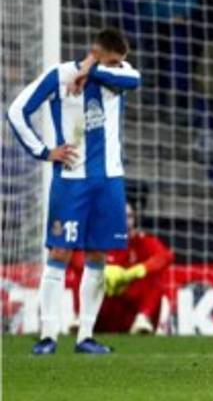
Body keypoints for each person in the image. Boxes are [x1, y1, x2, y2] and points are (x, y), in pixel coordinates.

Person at [7, 27, 141, 355]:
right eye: (111, 62)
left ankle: (85, 336)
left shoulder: (118, 72)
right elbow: (17, 112)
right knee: (59, 253)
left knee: (97, 255)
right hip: (71, 180)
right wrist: (43, 151)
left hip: (109, 181)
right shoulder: (58, 76)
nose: (116, 69)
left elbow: (133, 79)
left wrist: (90, 69)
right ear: (98, 52)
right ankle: (49, 335)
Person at [68, 202, 173, 334]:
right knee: (82, 275)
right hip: (100, 310)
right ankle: (81, 317)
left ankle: (143, 318)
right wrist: (101, 272)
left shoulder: (143, 241)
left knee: (155, 274)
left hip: (131, 313)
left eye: (129, 217)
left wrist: (135, 272)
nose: (125, 222)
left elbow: (165, 257)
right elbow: (75, 259)